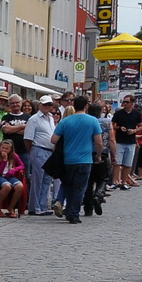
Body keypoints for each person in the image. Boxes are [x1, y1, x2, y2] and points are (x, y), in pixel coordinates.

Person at [52, 94, 103, 224]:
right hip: (85, 159)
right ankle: (74, 214)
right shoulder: (93, 121)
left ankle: (69, 211)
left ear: (73, 106)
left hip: (68, 159)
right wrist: (99, 155)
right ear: (86, 106)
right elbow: (98, 142)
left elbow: (53, 140)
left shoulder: (65, 121)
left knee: (70, 185)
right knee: (80, 188)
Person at [23, 99, 57, 215]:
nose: (48, 106)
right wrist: (32, 152)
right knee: (37, 180)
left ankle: (43, 205)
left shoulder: (51, 118)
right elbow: (28, 138)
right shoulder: (34, 119)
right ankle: (34, 207)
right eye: (45, 104)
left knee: (47, 179)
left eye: (50, 104)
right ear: (40, 105)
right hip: (39, 149)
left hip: (49, 151)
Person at [110, 93, 142, 188]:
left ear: (132, 103)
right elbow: (112, 125)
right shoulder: (119, 113)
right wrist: (119, 128)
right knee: (117, 163)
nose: (124, 104)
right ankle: (115, 182)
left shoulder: (136, 114)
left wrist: (134, 131)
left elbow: (141, 126)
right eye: (123, 102)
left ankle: (124, 182)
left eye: (127, 102)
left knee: (128, 164)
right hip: (119, 140)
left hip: (131, 141)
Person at [0, 138, 26, 217]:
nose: (4, 150)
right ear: (0, 147)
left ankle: (11, 207)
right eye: (3, 148)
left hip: (9, 176)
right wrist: (4, 160)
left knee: (20, 186)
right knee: (7, 186)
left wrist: (13, 171)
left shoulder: (14, 156)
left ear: (11, 149)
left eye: (7, 149)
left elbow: (22, 166)